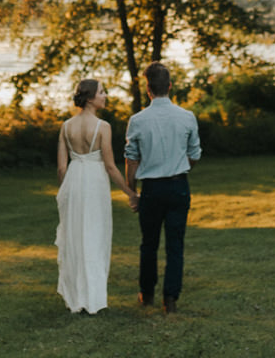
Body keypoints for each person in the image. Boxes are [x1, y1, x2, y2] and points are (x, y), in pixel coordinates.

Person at [122, 61, 201, 313]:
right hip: (179, 187)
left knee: (149, 243)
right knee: (175, 244)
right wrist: (177, 165)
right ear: (169, 86)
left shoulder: (137, 120)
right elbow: (195, 154)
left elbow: (131, 159)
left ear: (148, 90)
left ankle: (146, 294)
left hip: (152, 189)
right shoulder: (187, 117)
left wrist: (132, 192)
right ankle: (171, 299)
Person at [56, 78, 137, 314]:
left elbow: (62, 168)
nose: (105, 96)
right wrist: (130, 193)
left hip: (73, 180)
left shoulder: (66, 126)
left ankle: (76, 298)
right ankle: (93, 299)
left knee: (76, 237)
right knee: (95, 236)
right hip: (94, 182)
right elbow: (111, 167)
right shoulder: (103, 127)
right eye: (102, 92)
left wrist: (65, 193)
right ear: (90, 97)